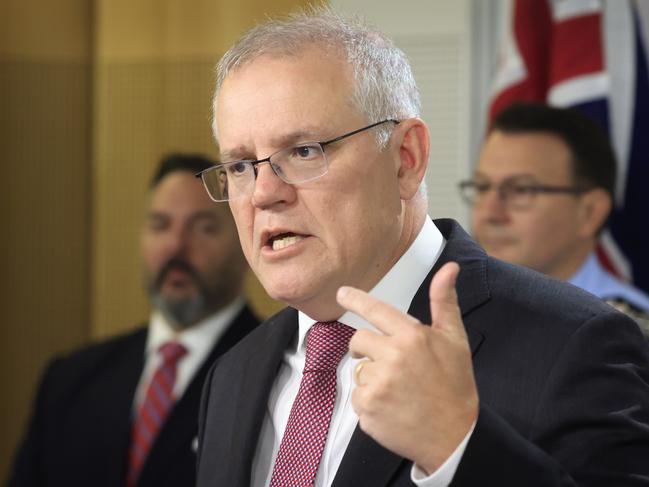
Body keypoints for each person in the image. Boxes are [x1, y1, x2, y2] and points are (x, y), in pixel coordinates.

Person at [194, 8, 649, 487]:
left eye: (305, 151)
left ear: (406, 160)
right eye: (242, 165)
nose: (264, 193)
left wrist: (457, 446)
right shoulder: (232, 374)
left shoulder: (575, 342)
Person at [8, 154, 259, 487]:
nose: (176, 246)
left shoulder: (271, 372)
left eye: (204, 227)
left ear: (244, 240)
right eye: (160, 225)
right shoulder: (70, 380)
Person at [463, 102, 649, 335]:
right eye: (482, 187)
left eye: (521, 190)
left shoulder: (633, 335)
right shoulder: (450, 313)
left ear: (590, 212)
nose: (490, 212)